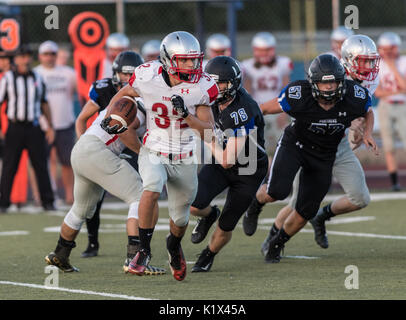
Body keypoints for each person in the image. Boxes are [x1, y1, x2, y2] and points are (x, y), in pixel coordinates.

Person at [245, 35, 381, 250]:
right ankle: (273, 240)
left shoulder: (367, 81)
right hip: (307, 144)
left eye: (371, 61)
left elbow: (365, 110)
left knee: (360, 198)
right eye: (363, 61)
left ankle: (321, 217)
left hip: (338, 143)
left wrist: (364, 131)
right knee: (295, 203)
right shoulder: (327, 72)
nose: (369, 66)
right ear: (347, 60)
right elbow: (277, 105)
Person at [105, 31, 218, 281]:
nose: (192, 65)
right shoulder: (147, 75)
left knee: (180, 218)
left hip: (186, 155)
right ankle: (143, 251)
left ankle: (173, 246)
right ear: (168, 59)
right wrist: (109, 117)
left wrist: (186, 115)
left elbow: (209, 133)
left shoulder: (203, 85)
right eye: (185, 60)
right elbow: (124, 94)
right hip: (154, 148)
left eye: (194, 59)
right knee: (152, 188)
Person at [73, 51, 165, 275]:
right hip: (103, 148)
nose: (127, 79)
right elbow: (122, 130)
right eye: (124, 74)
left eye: (131, 75)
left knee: (82, 207)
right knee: (140, 197)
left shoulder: (141, 95)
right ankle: (134, 258)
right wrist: (143, 151)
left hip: (103, 149)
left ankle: (61, 252)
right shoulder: (116, 94)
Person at [190, 56, 268, 272]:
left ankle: (208, 254)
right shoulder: (207, 99)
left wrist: (205, 136)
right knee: (194, 204)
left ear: (233, 83)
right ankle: (209, 215)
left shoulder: (243, 110)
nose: (215, 88)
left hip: (248, 169)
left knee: (226, 224)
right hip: (222, 157)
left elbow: (227, 160)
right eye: (211, 82)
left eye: (221, 83)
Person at [0, 44, 55, 212]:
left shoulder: (37, 77)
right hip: (15, 127)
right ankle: (3, 203)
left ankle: (48, 202)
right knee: (10, 166)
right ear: (15, 59)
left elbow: (44, 103)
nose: (25, 59)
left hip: (34, 127)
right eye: (22, 56)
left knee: (40, 165)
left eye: (28, 56)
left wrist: (50, 126)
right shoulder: (8, 78)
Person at [35, 41, 77, 205]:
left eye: (52, 53)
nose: (49, 57)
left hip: (64, 123)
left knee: (67, 162)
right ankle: (41, 195)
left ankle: (69, 195)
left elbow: (72, 92)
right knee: (39, 163)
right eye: (46, 54)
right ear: (40, 56)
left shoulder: (68, 73)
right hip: (42, 126)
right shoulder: (35, 73)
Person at [241, 32, 293, 157]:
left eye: (267, 50)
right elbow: (247, 93)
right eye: (261, 50)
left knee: (283, 145)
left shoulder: (282, 63)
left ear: (273, 49)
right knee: (257, 147)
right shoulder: (247, 66)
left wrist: (284, 113)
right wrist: (250, 115)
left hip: (277, 109)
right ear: (254, 50)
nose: (264, 54)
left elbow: (287, 89)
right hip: (258, 110)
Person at [375, 31, 406, 191]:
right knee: (389, 146)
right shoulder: (378, 65)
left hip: (403, 106)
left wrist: (392, 66)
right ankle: (394, 182)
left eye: (390, 48)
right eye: (384, 49)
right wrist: (396, 91)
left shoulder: (403, 62)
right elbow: (378, 92)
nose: (387, 52)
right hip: (385, 106)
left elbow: (405, 87)